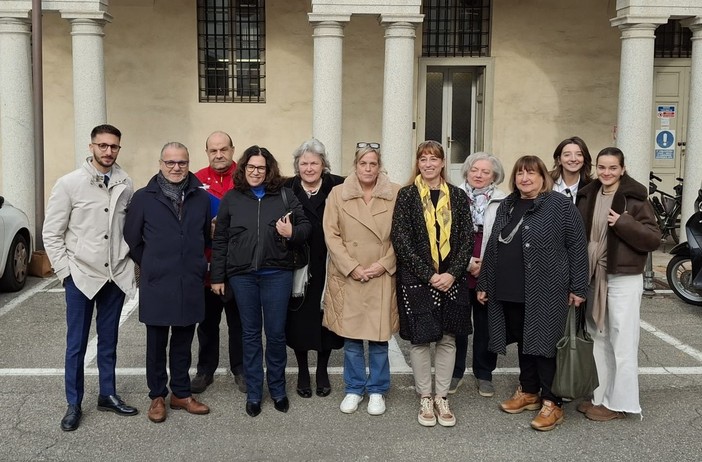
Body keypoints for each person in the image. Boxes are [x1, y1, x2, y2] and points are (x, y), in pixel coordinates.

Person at [476, 155, 588, 432]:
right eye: (520, 174)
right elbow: (492, 245)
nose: (525, 178)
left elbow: (576, 246)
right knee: (525, 342)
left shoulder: (560, 205)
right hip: (510, 286)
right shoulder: (508, 205)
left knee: (546, 346)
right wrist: (484, 283)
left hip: (547, 288)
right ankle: (528, 391)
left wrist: (578, 286)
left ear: (542, 177)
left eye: (531, 173)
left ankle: (553, 403)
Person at [43, 124, 139, 431]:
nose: (108, 151)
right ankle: (74, 403)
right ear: (92, 147)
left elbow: (128, 227)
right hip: (81, 276)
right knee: (77, 344)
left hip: (115, 276)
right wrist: (65, 273)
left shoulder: (126, 182)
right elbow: (52, 232)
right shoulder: (69, 183)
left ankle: (107, 394)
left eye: (114, 147)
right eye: (103, 146)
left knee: (108, 340)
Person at [210, 146, 311, 417]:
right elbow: (220, 240)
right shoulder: (232, 197)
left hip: (277, 274)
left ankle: (277, 390)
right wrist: (217, 276)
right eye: (251, 167)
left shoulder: (284, 196)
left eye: (261, 168)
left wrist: (292, 233)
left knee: (276, 335)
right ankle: (255, 393)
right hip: (242, 276)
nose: (256, 172)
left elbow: (305, 227)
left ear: (269, 171)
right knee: (250, 335)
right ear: (243, 169)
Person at [124, 142, 212, 423]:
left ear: (189, 164)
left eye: (182, 163)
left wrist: (195, 265)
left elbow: (205, 238)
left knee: (183, 342)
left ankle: (181, 394)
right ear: (161, 164)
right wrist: (152, 263)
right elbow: (132, 239)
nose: (176, 168)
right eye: (170, 162)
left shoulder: (200, 197)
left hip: (190, 281)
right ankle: (157, 396)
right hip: (158, 283)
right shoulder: (143, 198)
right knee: (156, 343)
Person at [575, 147, 661, 421]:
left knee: (621, 340)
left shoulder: (634, 199)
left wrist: (623, 222)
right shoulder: (589, 194)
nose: (607, 173)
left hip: (623, 276)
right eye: (602, 167)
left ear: (622, 169)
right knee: (598, 336)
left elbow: (652, 238)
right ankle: (600, 396)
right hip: (594, 276)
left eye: (613, 168)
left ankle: (620, 403)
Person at [392, 140, 473, 427]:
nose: (428, 164)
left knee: (448, 338)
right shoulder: (407, 196)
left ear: (442, 163)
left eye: (434, 159)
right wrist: (429, 275)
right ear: (418, 163)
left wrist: (451, 273)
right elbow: (401, 240)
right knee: (421, 339)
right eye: (423, 159)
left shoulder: (459, 197)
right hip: (418, 279)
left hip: (452, 278)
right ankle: (425, 396)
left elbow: (466, 240)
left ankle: (442, 397)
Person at [323, 142, 400, 417]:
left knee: (379, 339)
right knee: (352, 339)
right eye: (363, 163)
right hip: (350, 274)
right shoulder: (337, 194)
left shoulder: (396, 193)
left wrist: (384, 264)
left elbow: (401, 236)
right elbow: (330, 234)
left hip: (381, 273)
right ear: (355, 166)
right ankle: (354, 388)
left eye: (373, 163)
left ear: (380, 167)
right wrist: (351, 266)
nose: (368, 168)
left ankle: (377, 389)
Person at [284, 139, 344, 398]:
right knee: (297, 318)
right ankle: (302, 371)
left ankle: (321, 369)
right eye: (304, 163)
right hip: (297, 263)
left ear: (324, 165)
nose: (309, 168)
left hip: (330, 261)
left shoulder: (339, 185)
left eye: (314, 163)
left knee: (326, 318)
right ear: (297, 166)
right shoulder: (286, 188)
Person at [191, 131, 245, 394]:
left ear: (233, 150)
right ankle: (205, 370)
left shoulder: (246, 178)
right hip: (206, 267)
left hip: (238, 268)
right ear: (207, 153)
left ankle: (241, 369)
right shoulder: (196, 181)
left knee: (240, 323)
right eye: (213, 150)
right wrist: (206, 230)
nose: (219, 154)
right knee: (207, 324)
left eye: (223, 149)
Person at [450, 152, 507, 398]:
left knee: (486, 323)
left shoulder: (503, 200)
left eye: (486, 172)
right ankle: (455, 371)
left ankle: (484, 373)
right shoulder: (452, 195)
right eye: (475, 170)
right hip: (459, 265)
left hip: (489, 264)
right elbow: (446, 236)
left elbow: (506, 236)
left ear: (494, 176)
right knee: (458, 323)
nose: (479, 175)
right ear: (467, 171)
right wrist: (466, 262)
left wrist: (486, 264)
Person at [549, 136, 593, 203]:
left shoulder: (591, 187)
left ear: (584, 159)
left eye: (579, 154)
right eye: (567, 155)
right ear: (559, 160)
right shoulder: (545, 183)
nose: (573, 159)